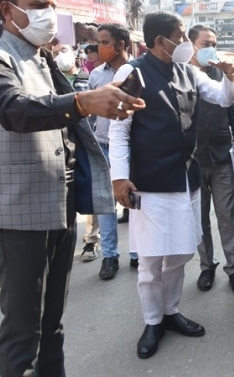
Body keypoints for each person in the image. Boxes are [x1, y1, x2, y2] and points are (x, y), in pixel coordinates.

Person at [0, 0, 145, 374]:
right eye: (37, 5)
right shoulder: (5, 55)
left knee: (53, 324)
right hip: (19, 212)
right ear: (6, 10)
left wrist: (101, 97)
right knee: (22, 332)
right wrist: (83, 102)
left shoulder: (43, 58)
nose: (47, 12)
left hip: (59, 203)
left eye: (50, 4)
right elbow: (15, 109)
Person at [108, 10, 234, 359]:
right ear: (160, 41)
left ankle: (171, 311)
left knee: (180, 253)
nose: (184, 42)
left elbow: (223, 98)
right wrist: (119, 178)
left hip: (186, 179)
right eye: (179, 36)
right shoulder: (132, 72)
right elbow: (119, 130)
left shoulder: (189, 72)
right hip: (149, 181)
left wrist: (230, 76)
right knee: (151, 260)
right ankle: (153, 321)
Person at [189, 25, 234, 296]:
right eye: (205, 43)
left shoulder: (224, 74)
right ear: (190, 45)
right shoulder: (181, 76)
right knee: (199, 218)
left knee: (228, 217)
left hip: (222, 157)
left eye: (213, 43)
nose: (210, 48)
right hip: (191, 162)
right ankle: (206, 267)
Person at [85, 23, 139, 278]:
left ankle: (138, 253)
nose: (99, 48)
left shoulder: (139, 73)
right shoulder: (96, 75)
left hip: (133, 148)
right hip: (103, 147)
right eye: (99, 42)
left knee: (136, 201)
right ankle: (109, 256)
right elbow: (88, 112)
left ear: (121, 45)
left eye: (105, 42)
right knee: (106, 205)